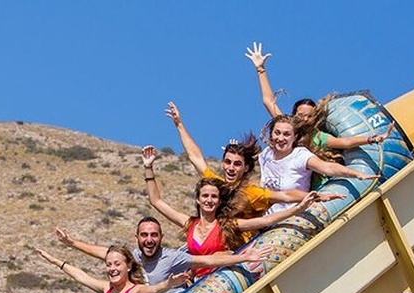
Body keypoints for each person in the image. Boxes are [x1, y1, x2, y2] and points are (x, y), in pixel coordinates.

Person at [142, 145, 324, 262]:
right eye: (205, 196)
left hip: (226, 266)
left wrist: (304, 203)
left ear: (219, 201)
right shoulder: (191, 223)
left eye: (213, 197)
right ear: (197, 199)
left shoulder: (229, 223)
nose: (209, 200)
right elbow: (157, 200)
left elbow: (269, 215)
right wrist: (148, 167)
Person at [163, 102, 343, 218]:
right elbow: (195, 157)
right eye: (228, 163)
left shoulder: (253, 192)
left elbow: (286, 195)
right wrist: (179, 125)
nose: (231, 168)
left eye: (237, 164)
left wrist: (318, 196)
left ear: (246, 168)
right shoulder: (217, 185)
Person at [55, 216, 272, 293]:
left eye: (154, 235)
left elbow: (208, 260)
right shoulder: (132, 257)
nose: (149, 240)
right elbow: (103, 253)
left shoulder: (172, 258)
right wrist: (72, 243)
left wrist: (243, 257)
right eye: (144, 235)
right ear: (137, 238)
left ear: (160, 238)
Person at [244, 41, 395, 151]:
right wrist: (260, 69)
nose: (304, 119)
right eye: (301, 115)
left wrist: (373, 139)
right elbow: (268, 101)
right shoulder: (286, 127)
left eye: (309, 116)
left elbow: (345, 142)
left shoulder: (317, 137)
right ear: (294, 114)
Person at [260, 114, 378, 213]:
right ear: (271, 134)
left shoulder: (299, 156)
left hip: (291, 214)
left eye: (286, 134)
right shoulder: (266, 154)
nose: (280, 138)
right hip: (264, 216)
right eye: (277, 133)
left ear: (295, 137)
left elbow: (327, 167)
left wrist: (356, 173)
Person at [35, 245, 191, 293]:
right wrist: (55, 261)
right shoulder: (106, 288)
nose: (112, 269)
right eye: (108, 264)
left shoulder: (136, 292)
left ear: (128, 266)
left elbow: (156, 289)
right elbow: (82, 277)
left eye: (117, 264)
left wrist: (170, 283)